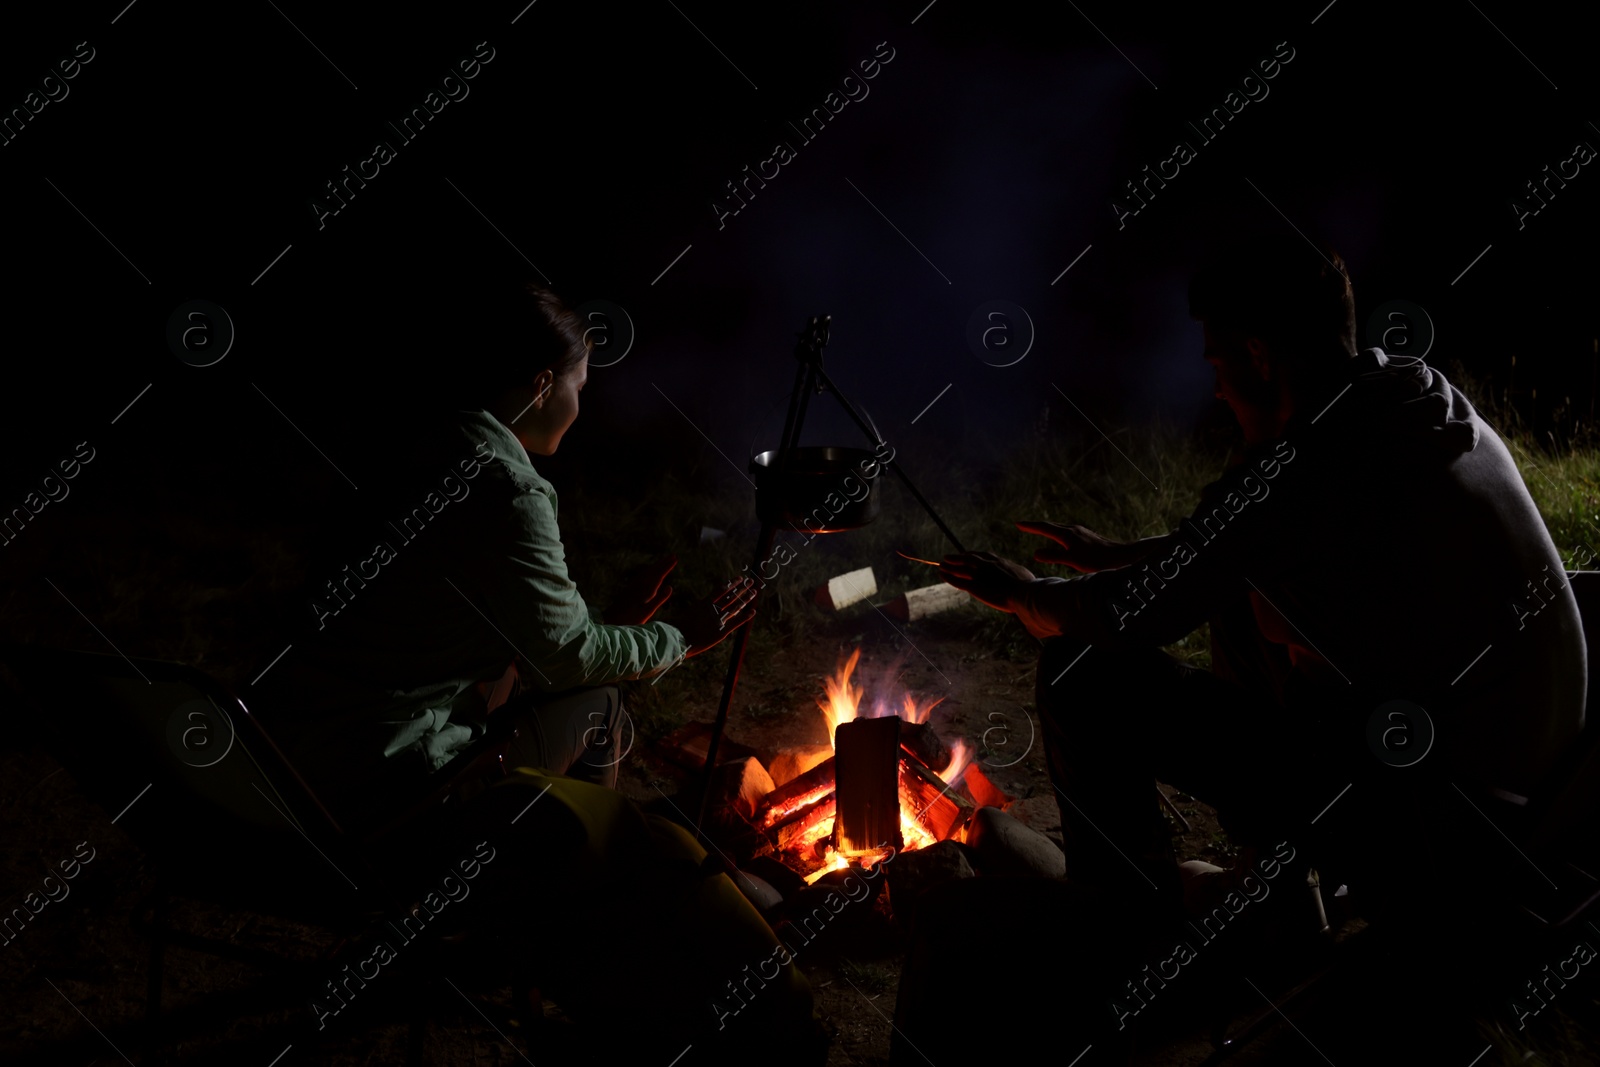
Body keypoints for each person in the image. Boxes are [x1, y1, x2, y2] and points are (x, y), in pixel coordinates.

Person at [936, 238, 1586, 1047]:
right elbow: (1246, 547)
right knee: (1246, 604)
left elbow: (1135, 613)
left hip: (1442, 821)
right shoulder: (1401, 400)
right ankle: (1280, 905)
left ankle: (1131, 947)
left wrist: (1027, 595)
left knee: (1081, 673)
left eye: (1218, 362)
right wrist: (1115, 554)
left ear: (1258, 354)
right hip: (1538, 781)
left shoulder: (1318, 462)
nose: (1213, 386)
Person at [253, 282, 824, 1064]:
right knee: (602, 708)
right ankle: (571, 912)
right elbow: (567, 656)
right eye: (581, 386)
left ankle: (542, 902)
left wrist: (614, 627)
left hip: (279, 767)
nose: (582, 407)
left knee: (581, 691)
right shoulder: (507, 485)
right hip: (377, 794)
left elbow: (482, 629)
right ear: (539, 385)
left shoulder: (406, 448)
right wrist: (674, 639)